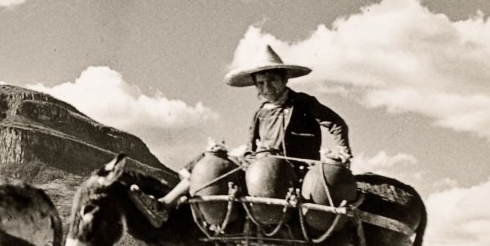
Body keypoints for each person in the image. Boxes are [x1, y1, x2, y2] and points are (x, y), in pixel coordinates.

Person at [132, 44, 351, 227]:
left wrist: (342, 151)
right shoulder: (260, 114)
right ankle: (164, 203)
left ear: (284, 79)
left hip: (293, 171)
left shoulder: (303, 103)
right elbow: (250, 150)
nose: (267, 87)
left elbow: (336, 124)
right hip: (261, 168)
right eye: (261, 83)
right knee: (208, 159)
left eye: (272, 80)